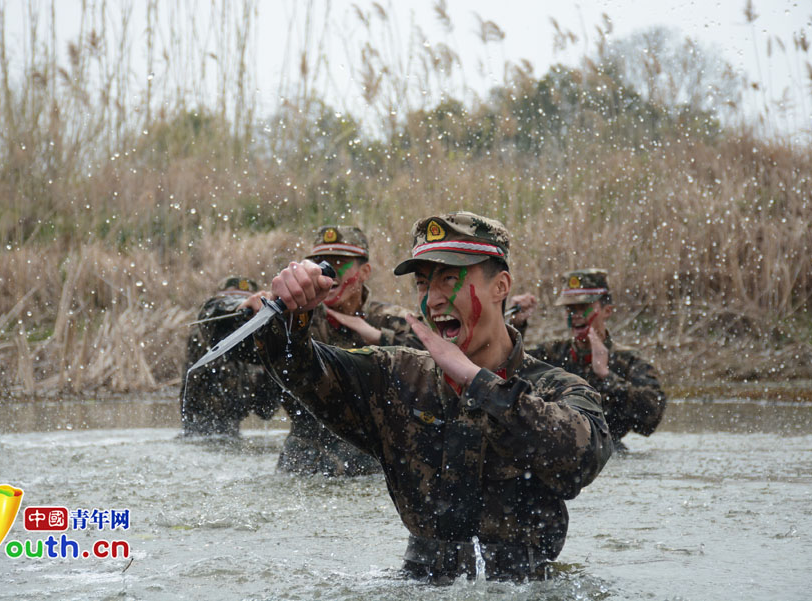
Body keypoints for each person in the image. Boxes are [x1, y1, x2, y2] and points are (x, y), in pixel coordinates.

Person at [253, 212, 611, 582]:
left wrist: (478, 383)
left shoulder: (556, 388)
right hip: (419, 583)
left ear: (501, 286)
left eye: (450, 279)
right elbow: (302, 370)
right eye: (423, 284)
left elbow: (580, 458)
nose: (433, 300)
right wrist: (292, 316)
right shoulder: (397, 377)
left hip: (526, 586)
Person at [240, 225, 422, 476]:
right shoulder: (296, 316)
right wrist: (256, 319)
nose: (329, 273)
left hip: (370, 460)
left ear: (365, 271)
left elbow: (431, 363)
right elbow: (248, 357)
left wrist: (376, 335)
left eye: (340, 263)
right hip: (302, 459)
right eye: (321, 263)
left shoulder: (393, 320)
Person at [523, 269, 667, 451]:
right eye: (571, 309)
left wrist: (606, 375)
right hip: (556, 449)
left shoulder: (627, 360)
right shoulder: (553, 354)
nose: (576, 315)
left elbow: (652, 415)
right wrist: (517, 323)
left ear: (607, 311)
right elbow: (508, 368)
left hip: (610, 451)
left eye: (584, 308)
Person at [180, 276, 280, 435]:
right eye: (231, 299)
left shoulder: (255, 343)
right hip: (198, 430)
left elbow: (266, 410)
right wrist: (239, 308)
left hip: (233, 431)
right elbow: (212, 311)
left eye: (245, 299)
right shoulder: (204, 332)